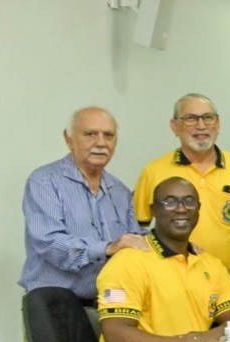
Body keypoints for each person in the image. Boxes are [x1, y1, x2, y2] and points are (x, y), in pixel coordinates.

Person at [94, 177, 230, 342]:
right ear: (153, 210)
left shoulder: (209, 263)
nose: (181, 208)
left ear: (198, 209)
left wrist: (204, 337)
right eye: (170, 201)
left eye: (189, 201)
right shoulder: (128, 261)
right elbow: (117, 336)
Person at [22, 106, 146, 307]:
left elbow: (134, 239)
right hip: (56, 303)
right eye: (90, 134)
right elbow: (50, 242)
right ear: (69, 139)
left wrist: (174, 246)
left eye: (108, 135)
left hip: (109, 302)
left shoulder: (120, 191)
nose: (101, 143)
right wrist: (106, 248)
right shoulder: (45, 181)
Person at [132, 93, 230, 295]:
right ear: (174, 126)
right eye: (190, 119)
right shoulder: (154, 172)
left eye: (208, 117)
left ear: (218, 123)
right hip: (173, 291)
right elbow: (135, 231)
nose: (201, 126)